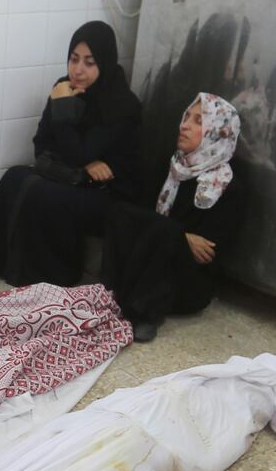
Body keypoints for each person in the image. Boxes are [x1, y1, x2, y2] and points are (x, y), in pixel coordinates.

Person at [0, 20, 145, 287]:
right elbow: (41, 143)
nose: (78, 70)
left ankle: (49, 279)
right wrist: (81, 166)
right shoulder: (62, 87)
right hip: (76, 177)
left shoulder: (121, 104)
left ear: (105, 62)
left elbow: (80, 151)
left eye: (89, 63)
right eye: (74, 59)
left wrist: (64, 108)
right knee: (15, 177)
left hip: (111, 194)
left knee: (47, 194)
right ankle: (5, 265)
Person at [99, 92, 247, 341]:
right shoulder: (172, 167)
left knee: (163, 230)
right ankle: (111, 295)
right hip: (151, 261)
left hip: (188, 284)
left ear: (218, 132)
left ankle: (146, 315)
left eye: (199, 121)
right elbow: (137, 211)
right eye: (186, 117)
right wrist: (183, 236)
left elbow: (207, 254)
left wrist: (173, 235)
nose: (185, 125)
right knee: (120, 212)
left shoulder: (228, 186)